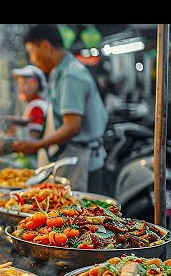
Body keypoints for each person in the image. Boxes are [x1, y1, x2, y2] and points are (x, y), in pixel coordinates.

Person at [11, 24, 109, 194]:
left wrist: (36, 145)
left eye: (32, 52)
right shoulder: (60, 71)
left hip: (82, 162)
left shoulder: (70, 75)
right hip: (74, 158)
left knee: (82, 216)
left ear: (45, 46)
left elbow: (72, 126)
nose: (33, 59)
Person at [10, 64, 48, 139]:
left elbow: (33, 140)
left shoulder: (37, 106)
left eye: (27, 83)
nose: (22, 88)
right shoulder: (33, 105)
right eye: (20, 83)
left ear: (38, 85)